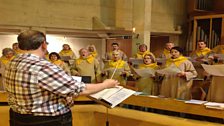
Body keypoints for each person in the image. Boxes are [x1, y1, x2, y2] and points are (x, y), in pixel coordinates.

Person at [4, 30, 119, 126]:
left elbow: (34, 88)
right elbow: (79, 89)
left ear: (19, 45)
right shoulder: (43, 66)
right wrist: (106, 84)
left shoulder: (12, 62)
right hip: (46, 120)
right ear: (44, 44)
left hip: (17, 117)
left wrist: (64, 96)